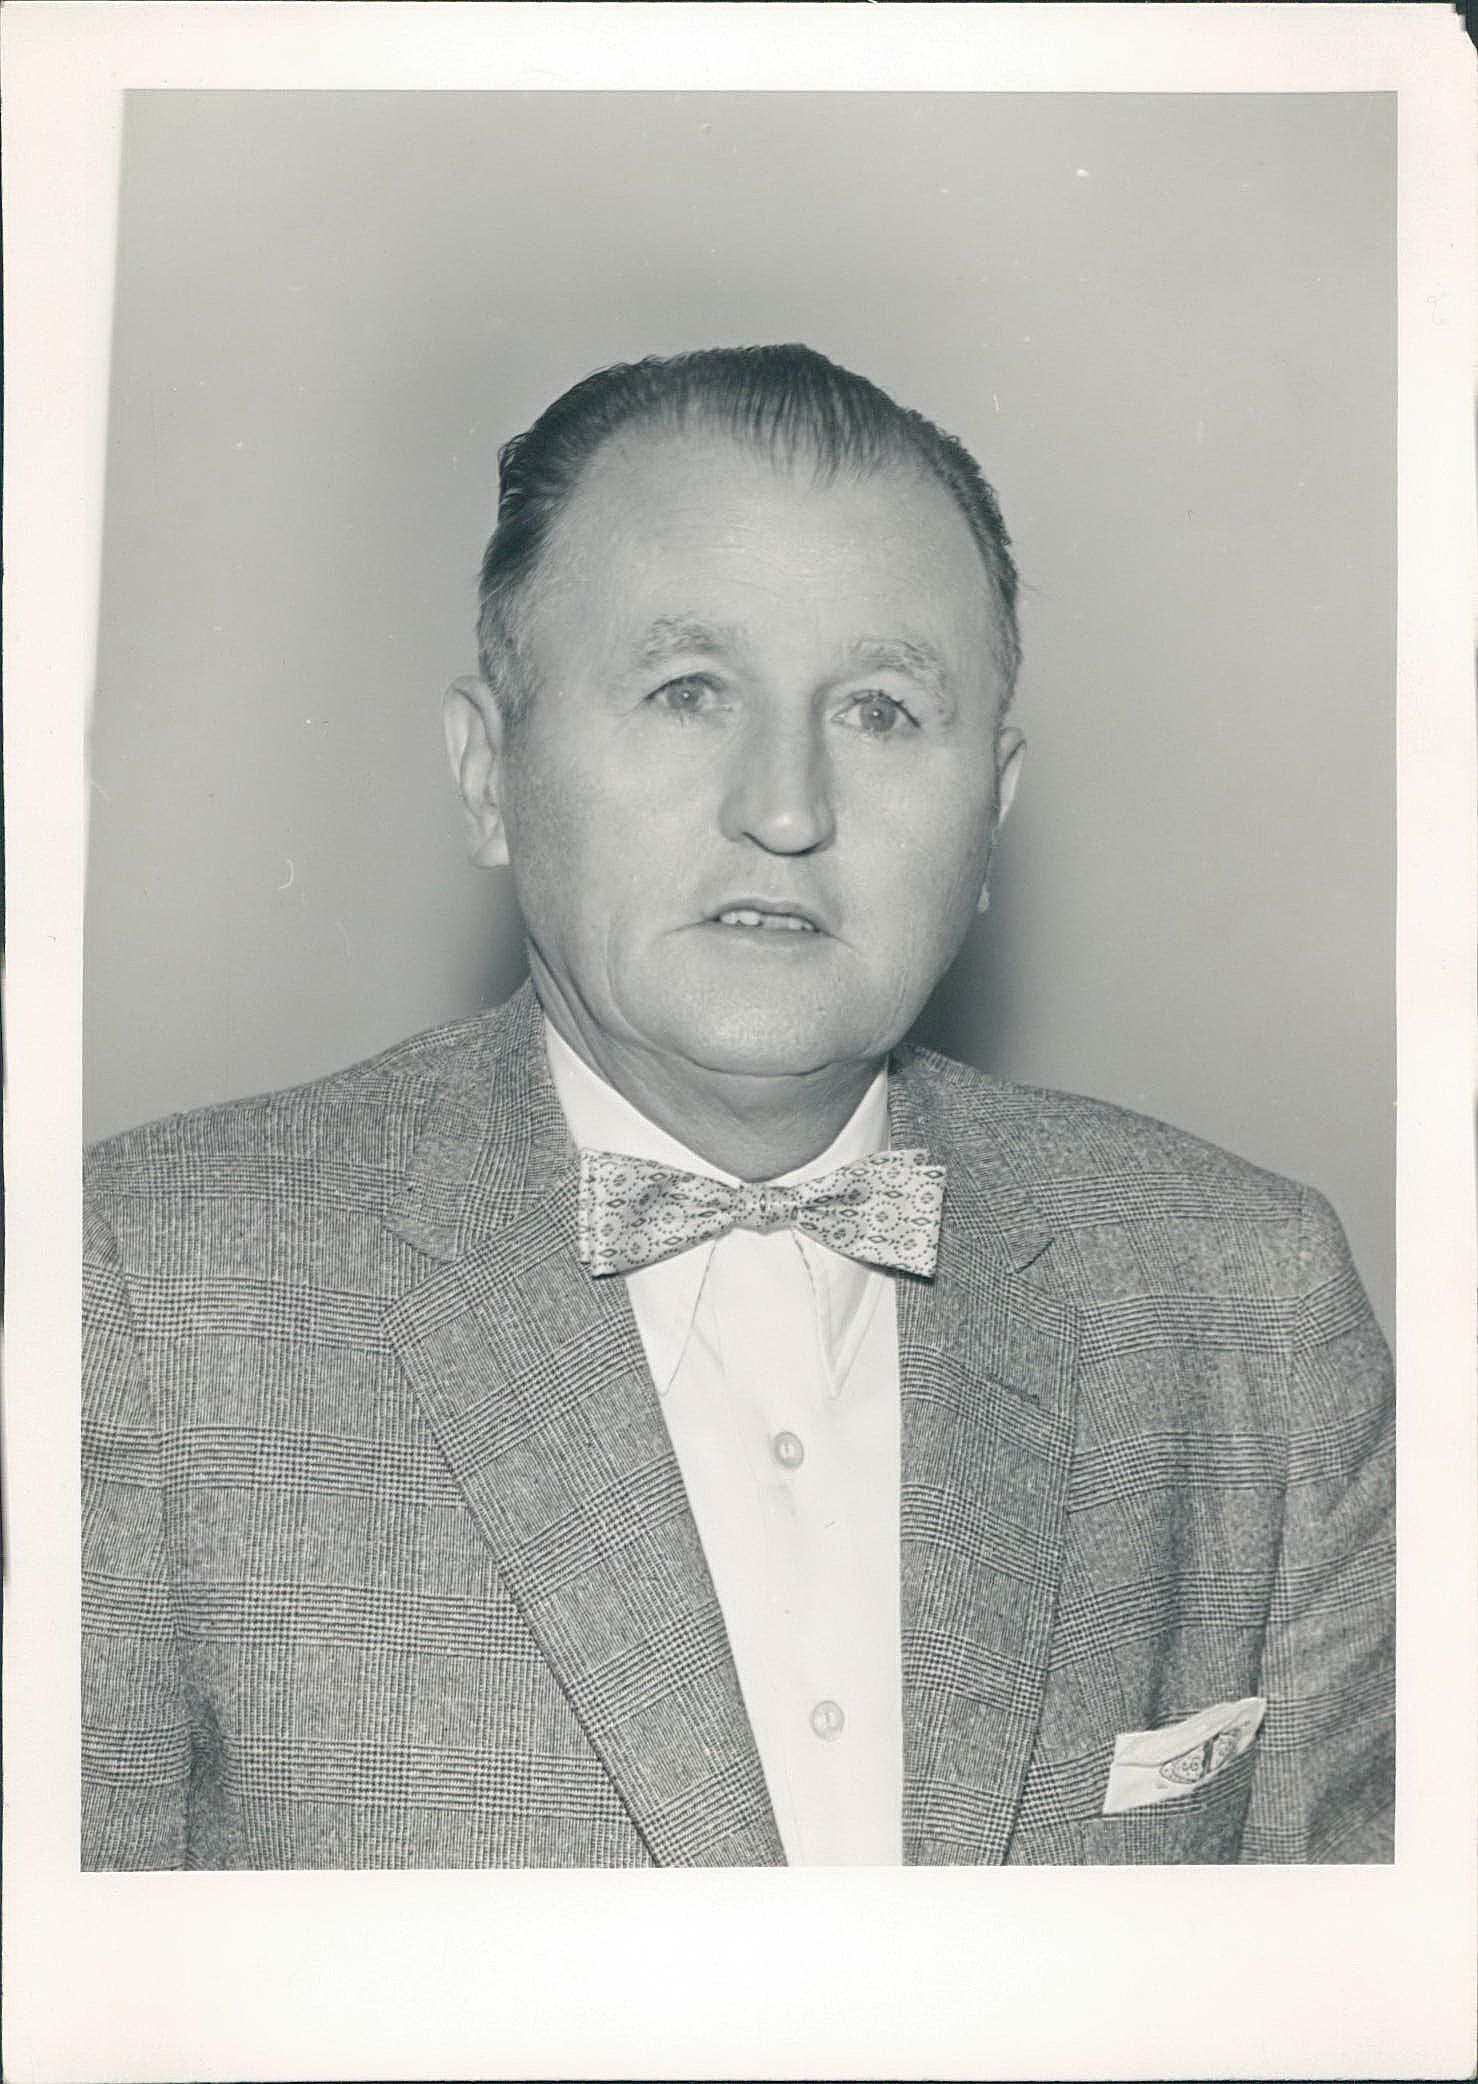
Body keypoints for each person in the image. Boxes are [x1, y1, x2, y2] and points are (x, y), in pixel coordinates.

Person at [82, 345, 1394, 1870]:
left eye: (884, 711)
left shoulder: (1245, 1303)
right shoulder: (140, 1299)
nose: (786, 808)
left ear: (991, 817)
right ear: (490, 772)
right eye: (687, 690)